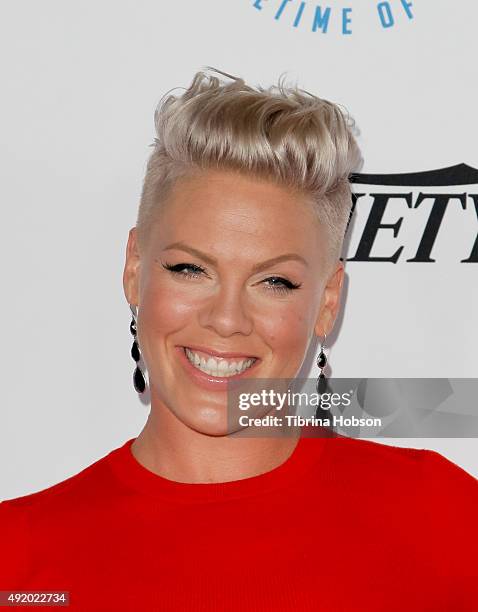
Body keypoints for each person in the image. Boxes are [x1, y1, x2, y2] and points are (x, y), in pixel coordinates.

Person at [1, 67, 477, 611]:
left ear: (326, 302)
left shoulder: (443, 520)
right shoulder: (17, 555)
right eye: (189, 269)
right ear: (135, 269)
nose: (227, 319)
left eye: (274, 281)